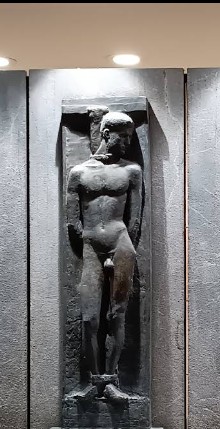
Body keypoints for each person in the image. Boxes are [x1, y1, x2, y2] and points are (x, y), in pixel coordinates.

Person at [66, 111, 142, 401]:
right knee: (89, 318)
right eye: (122, 137)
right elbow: (73, 221)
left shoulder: (131, 171)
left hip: (120, 243)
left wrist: (121, 248)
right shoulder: (78, 173)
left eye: (130, 137)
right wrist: (92, 247)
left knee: (116, 315)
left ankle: (110, 382)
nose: (126, 143)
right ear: (106, 134)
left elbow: (134, 219)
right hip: (91, 246)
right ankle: (94, 381)